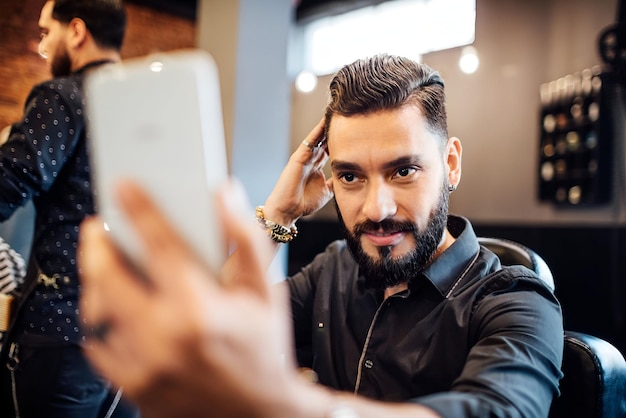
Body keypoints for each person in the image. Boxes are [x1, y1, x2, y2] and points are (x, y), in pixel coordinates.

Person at [78, 54, 564, 417]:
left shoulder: (516, 300)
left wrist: (286, 404)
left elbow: (497, 411)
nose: (377, 209)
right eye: (351, 177)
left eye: (403, 171)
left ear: (450, 163)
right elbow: (211, 333)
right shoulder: (333, 271)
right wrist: (279, 213)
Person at [0, 1, 137, 417]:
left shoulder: (64, 96)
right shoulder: (144, 104)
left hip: (62, 332)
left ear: (76, 32)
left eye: (46, 32)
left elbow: (7, 181)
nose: (44, 45)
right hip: (134, 336)